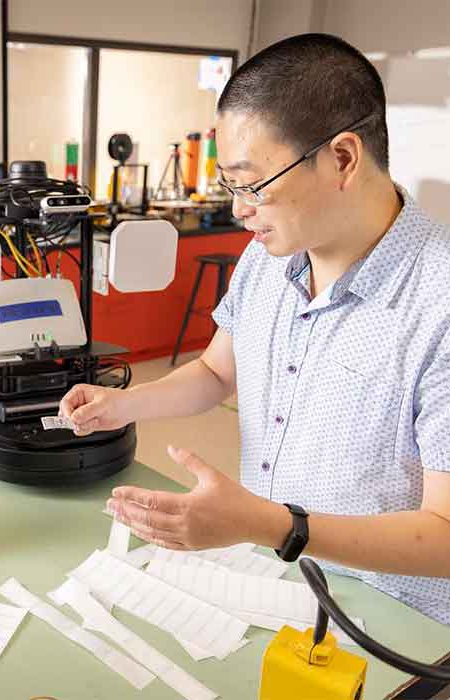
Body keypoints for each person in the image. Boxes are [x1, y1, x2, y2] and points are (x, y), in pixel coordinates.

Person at [60, 34, 450, 624]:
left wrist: (269, 524)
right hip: (270, 580)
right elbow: (217, 370)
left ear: (342, 158)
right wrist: (124, 404)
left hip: (390, 623)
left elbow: (444, 536)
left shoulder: (437, 300)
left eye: (252, 183)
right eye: (229, 184)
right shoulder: (269, 259)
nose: (239, 208)